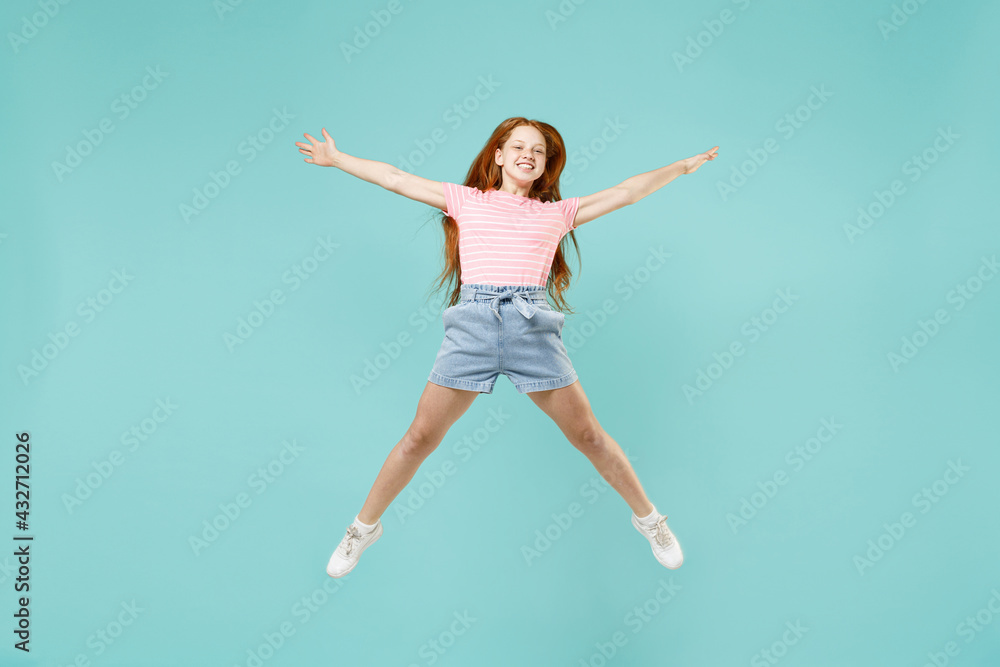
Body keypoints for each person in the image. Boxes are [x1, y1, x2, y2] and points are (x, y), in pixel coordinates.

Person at [294, 117, 718, 578]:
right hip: (472, 326)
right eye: (519, 146)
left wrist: (680, 167)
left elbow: (626, 191)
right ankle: (362, 528)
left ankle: (650, 520)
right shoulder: (466, 200)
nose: (528, 155)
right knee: (419, 438)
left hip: (531, 326)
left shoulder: (556, 213)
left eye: (539, 152)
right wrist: (337, 159)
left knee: (589, 436)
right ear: (498, 155)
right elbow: (396, 179)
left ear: (545, 166)